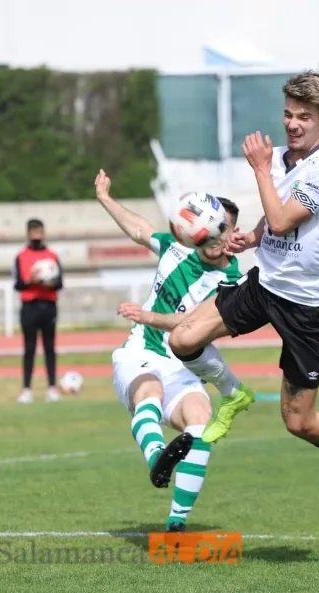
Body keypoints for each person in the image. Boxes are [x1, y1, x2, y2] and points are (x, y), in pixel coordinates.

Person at [159, 71, 319, 522]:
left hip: (303, 306)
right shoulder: (282, 159)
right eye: (288, 114)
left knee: (299, 421)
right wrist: (251, 239)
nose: (293, 124)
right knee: (183, 339)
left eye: (304, 116)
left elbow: (285, 219)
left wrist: (262, 172)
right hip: (263, 285)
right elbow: (274, 219)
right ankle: (234, 394)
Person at [95, 168, 248, 532]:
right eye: (213, 228)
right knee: (149, 391)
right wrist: (104, 198)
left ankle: (177, 524)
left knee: (200, 419)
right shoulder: (177, 249)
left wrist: (148, 314)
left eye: (224, 229)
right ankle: (157, 461)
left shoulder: (232, 283)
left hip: (183, 366)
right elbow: (138, 229)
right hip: (140, 354)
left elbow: (193, 324)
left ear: (233, 235)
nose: (217, 236)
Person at [12, 218, 63, 404]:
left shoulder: (52, 256)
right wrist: (30, 281)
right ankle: (26, 389)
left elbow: (60, 283)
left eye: (39, 232)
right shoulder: (21, 256)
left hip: (48, 306)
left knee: (50, 348)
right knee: (29, 349)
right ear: (28, 233)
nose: (37, 235)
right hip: (29, 307)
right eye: (33, 232)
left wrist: (48, 283)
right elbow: (17, 284)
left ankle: (52, 388)